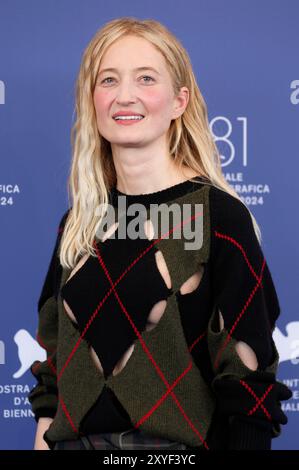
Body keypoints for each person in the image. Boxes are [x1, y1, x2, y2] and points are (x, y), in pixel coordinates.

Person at [29, 17, 292, 451]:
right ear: (91, 99)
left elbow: (248, 389)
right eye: (108, 79)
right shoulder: (79, 222)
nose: (124, 95)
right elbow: (54, 378)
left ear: (178, 101)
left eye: (145, 78)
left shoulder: (217, 217)